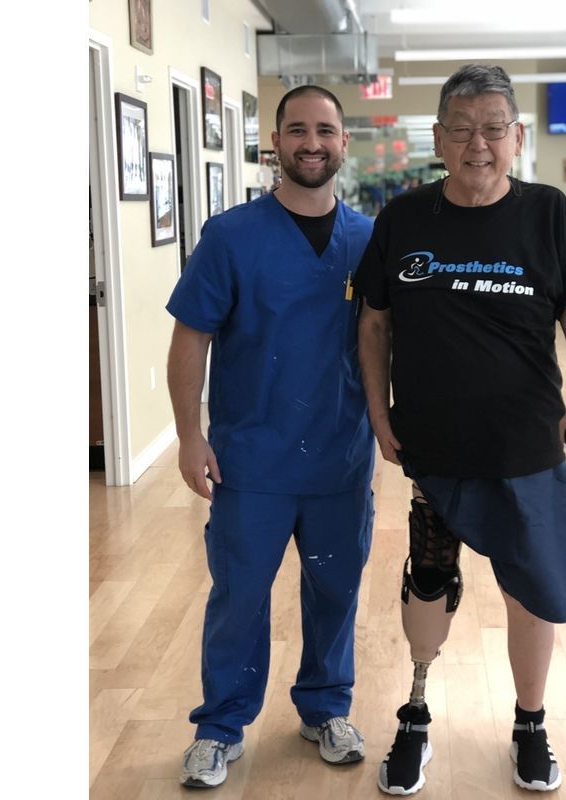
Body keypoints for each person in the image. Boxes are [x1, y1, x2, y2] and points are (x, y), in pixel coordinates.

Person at [354, 64, 566, 795]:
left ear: (517, 137)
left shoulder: (549, 212)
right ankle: (417, 708)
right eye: (461, 130)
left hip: (527, 445)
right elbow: (373, 321)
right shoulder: (402, 218)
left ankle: (530, 720)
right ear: (437, 137)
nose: (478, 145)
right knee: (428, 580)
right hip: (432, 445)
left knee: (530, 590)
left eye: (494, 129)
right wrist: (378, 409)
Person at [166, 85, 375, 789]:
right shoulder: (230, 237)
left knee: (336, 592)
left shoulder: (369, 241)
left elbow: (394, 340)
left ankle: (325, 707)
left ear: (344, 143)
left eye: (325, 130)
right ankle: (220, 725)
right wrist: (188, 437)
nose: (311, 142)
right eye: (296, 130)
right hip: (250, 458)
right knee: (240, 595)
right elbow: (191, 335)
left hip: (341, 457)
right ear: (275, 144)